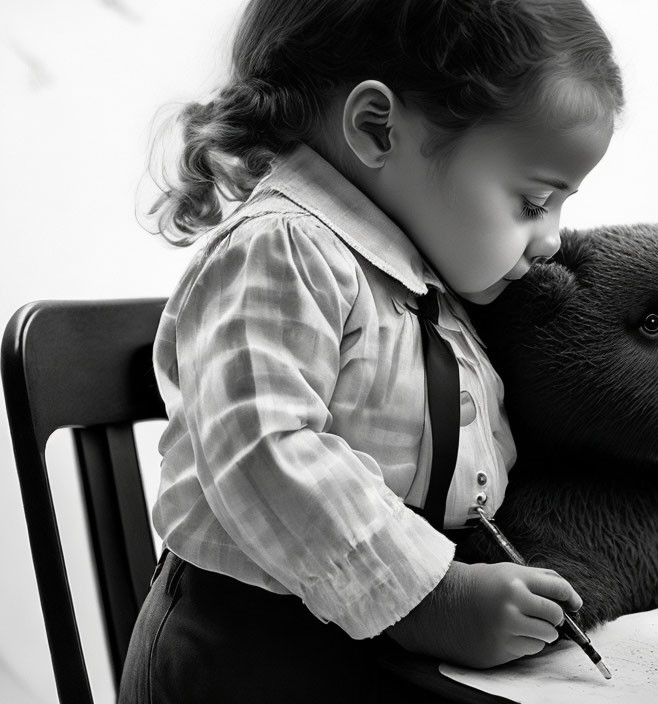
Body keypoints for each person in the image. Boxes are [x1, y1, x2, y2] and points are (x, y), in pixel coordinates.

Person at [119, 0, 624, 701]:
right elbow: (265, 448)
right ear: (376, 128)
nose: (549, 240)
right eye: (534, 201)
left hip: (365, 646)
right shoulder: (282, 248)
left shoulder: (429, 280)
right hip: (247, 650)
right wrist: (431, 597)